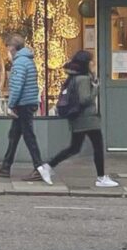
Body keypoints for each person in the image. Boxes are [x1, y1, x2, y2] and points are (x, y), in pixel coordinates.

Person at [47, 49, 117, 188]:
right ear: (86, 63)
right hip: (87, 119)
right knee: (97, 147)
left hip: (80, 118)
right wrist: (96, 88)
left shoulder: (75, 77)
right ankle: (101, 178)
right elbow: (85, 99)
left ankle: (48, 166)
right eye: (91, 60)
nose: (93, 63)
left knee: (74, 147)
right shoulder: (84, 79)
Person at [0, 33, 53, 184]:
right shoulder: (27, 60)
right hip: (28, 101)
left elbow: (17, 86)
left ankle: (39, 168)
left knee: (28, 136)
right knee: (14, 135)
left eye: (8, 47)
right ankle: (6, 165)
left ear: (12, 47)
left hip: (23, 104)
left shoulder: (19, 63)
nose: (7, 50)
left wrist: (11, 104)